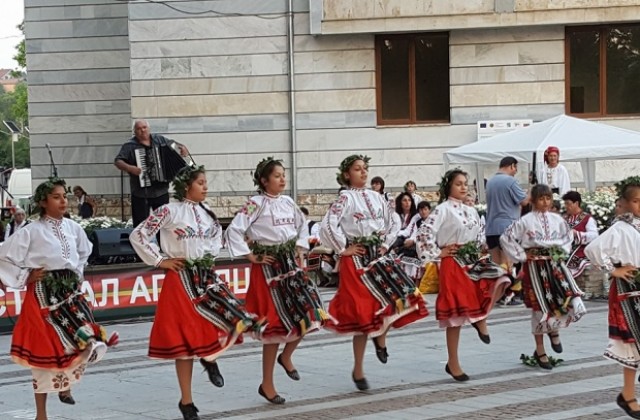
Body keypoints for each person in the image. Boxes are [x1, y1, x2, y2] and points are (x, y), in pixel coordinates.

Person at [130, 166, 261, 420]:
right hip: (180, 281)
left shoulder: (207, 212)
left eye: (205, 183)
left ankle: (209, 357)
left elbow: (215, 240)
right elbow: (139, 234)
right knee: (184, 343)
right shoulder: (169, 210)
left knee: (231, 318)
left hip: (205, 277)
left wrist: (212, 258)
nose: (206, 187)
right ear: (185, 186)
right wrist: (159, 260)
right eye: (201, 182)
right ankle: (187, 401)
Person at [0, 177, 117, 420]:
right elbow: (4, 256)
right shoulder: (31, 231)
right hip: (43, 294)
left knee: (85, 336)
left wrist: (76, 276)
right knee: (43, 350)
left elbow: (84, 253)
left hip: (69, 293)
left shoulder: (73, 228)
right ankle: (41, 414)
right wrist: (26, 276)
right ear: (43, 202)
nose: (63, 200)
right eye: (57, 197)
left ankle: (64, 384)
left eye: (65, 196)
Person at [224, 157, 328, 405]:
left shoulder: (288, 202)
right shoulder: (255, 204)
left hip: (291, 264)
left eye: (284, 175)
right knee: (273, 326)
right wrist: (250, 255)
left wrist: (301, 248)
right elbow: (234, 230)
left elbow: (304, 227)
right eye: (277, 175)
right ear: (264, 180)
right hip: (268, 267)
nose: (283, 179)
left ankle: (287, 356)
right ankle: (267, 384)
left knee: (312, 311)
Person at [320, 155, 428, 391]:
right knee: (363, 315)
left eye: (365, 168)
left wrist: (386, 243)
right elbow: (327, 224)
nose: (363, 172)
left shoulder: (377, 197)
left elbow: (393, 222)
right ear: (347, 174)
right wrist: (342, 249)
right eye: (357, 169)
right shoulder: (344, 198)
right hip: (356, 258)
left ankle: (380, 337)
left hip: (376, 255)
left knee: (403, 294)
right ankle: (358, 369)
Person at [416, 169, 510, 382]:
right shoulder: (443, 209)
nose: (464, 187)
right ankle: (453, 362)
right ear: (449, 186)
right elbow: (424, 232)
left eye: (466, 183)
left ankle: (481, 317)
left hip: (471, 259)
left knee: (501, 278)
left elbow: (478, 234)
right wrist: (437, 252)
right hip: (453, 262)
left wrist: (482, 248)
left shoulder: (471, 210)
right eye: (459, 183)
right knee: (455, 315)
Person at [500, 184, 586, 370]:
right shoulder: (525, 221)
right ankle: (540, 350)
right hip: (535, 266)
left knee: (562, 298)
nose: (545, 202)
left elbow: (567, 237)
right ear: (533, 200)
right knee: (540, 306)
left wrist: (561, 251)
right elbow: (506, 237)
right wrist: (522, 255)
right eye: (541, 198)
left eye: (548, 198)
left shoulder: (557, 219)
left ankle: (554, 332)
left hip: (554, 264)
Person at [584, 180, 640, 418]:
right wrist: (613, 269)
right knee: (631, 344)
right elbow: (592, 249)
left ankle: (627, 394)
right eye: (637, 201)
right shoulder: (620, 229)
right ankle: (628, 394)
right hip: (628, 291)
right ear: (625, 204)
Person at [114, 119, 189, 227]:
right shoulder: (129, 146)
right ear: (134, 131)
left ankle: (162, 244)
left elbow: (175, 145)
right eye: (139, 129)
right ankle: (142, 244)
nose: (142, 130)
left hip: (161, 192)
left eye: (144, 127)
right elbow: (118, 161)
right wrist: (130, 168)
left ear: (148, 129)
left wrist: (183, 147)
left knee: (163, 225)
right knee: (141, 226)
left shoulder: (160, 140)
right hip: (140, 194)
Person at [485, 157, 529, 268]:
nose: (515, 172)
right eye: (515, 168)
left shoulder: (490, 182)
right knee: (508, 266)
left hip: (491, 229)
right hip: (507, 228)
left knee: (496, 267)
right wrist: (532, 191)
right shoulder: (510, 181)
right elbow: (524, 201)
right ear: (511, 166)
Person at [562, 191, 598, 279]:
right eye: (565, 204)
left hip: (580, 249)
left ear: (576, 203)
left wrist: (576, 234)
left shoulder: (587, 218)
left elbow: (594, 235)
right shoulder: (564, 218)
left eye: (568, 204)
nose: (566, 206)